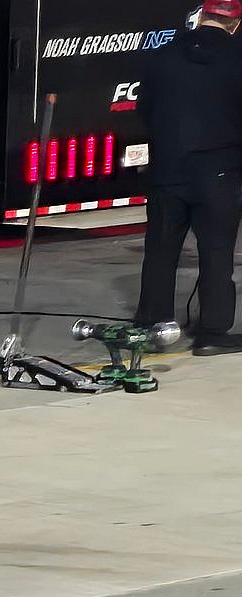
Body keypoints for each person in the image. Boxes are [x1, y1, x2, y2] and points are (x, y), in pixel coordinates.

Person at [136, 0, 242, 356]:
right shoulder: (237, 58)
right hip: (220, 172)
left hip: (168, 170)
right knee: (216, 252)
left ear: (201, 16)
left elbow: (144, 109)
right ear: (235, 23)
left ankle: (153, 326)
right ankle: (211, 333)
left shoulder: (163, 56)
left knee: (160, 250)